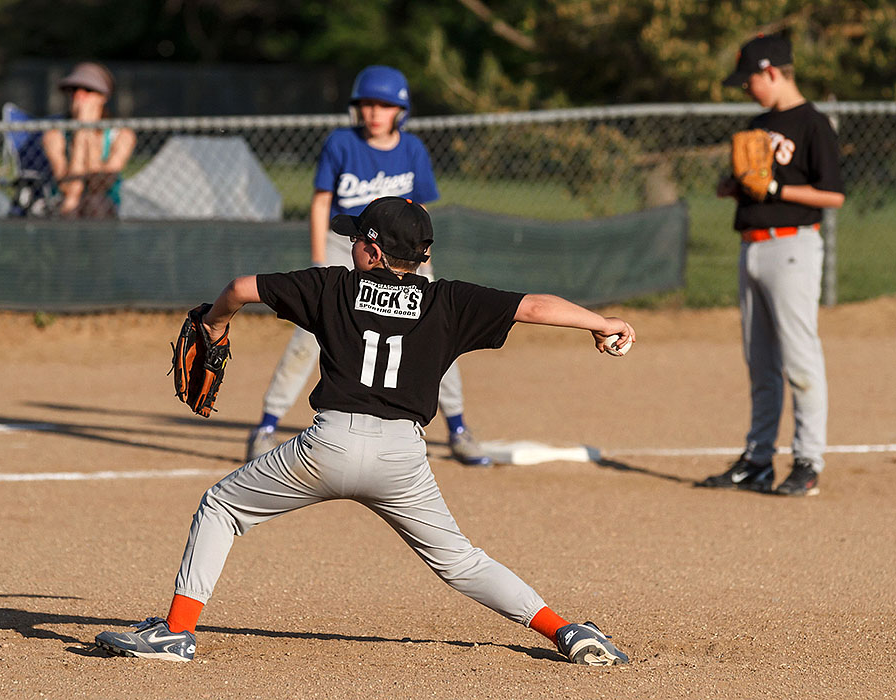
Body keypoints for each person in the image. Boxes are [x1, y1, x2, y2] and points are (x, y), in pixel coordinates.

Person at [94, 196, 636, 666]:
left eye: (356, 238)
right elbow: (536, 305)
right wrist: (602, 324)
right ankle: (565, 632)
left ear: (372, 253)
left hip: (326, 447)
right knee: (462, 562)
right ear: (422, 256)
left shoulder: (333, 286)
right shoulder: (448, 300)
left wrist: (214, 322)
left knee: (221, 508)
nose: (350, 244)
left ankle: (178, 633)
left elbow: (239, 288)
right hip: (402, 459)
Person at [246, 65, 493, 467]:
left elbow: (420, 210)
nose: (374, 112)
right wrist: (318, 261)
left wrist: (423, 257)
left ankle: (459, 429)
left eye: (384, 105)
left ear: (401, 110)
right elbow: (322, 201)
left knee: (435, 330)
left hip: (402, 253)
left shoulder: (412, 149)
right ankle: (267, 426)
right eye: (366, 104)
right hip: (346, 245)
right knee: (308, 337)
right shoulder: (341, 143)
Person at [696, 34, 845, 496]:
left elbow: (833, 194)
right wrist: (733, 185)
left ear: (773, 72)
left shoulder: (813, 124)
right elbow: (751, 182)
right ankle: (758, 459)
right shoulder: (758, 123)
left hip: (793, 247)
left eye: (750, 80)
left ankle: (807, 460)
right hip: (752, 246)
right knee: (759, 361)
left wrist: (776, 190)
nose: (746, 89)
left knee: (800, 360)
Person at [41, 62, 136, 218]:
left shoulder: (122, 135)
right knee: (71, 202)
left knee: (95, 201)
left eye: (88, 90)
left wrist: (88, 130)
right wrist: (80, 132)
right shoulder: (54, 134)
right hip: (64, 204)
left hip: (103, 205)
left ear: (103, 97)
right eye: (74, 90)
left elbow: (99, 185)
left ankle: (95, 243)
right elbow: (70, 188)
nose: (79, 96)